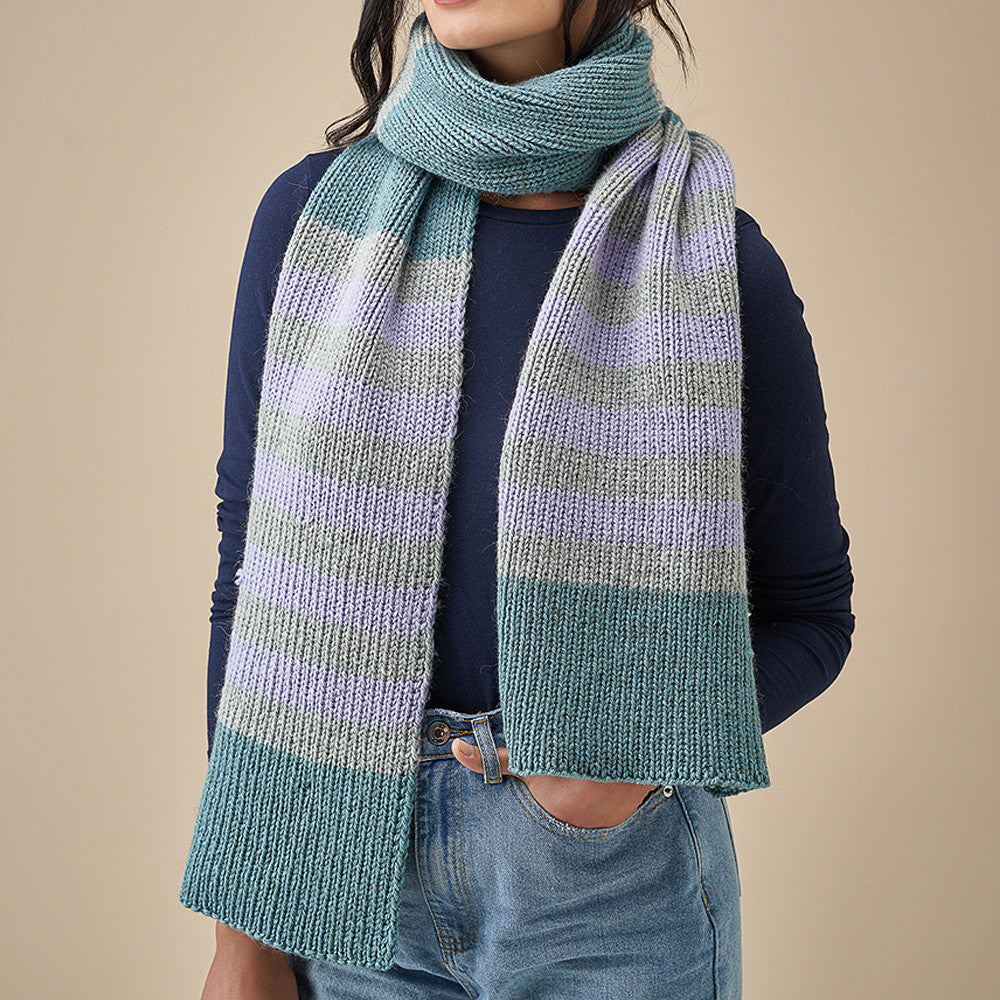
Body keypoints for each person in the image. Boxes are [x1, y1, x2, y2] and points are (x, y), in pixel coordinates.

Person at [186, 1, 855, 997]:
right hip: (343, 866)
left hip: (611, 896)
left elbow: (812, 612)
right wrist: (244, 928)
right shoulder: (311, 217)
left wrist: (621, 763)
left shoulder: (712, 257)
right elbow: (252, 574)